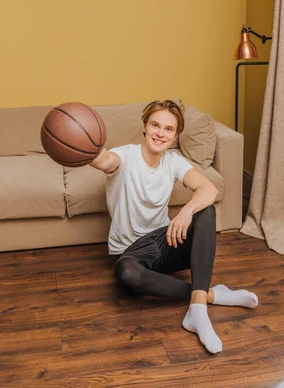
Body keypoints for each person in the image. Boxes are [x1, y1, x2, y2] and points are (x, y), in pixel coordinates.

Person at [89, 99, 259, 354]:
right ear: (145, 127)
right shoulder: (125, 156)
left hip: (164, 241)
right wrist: (82, 144)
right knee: (126, 273)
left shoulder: (174, 161)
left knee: (205, 212)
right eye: (155, 125)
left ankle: (197, 311)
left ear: (175, 135)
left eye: (168, 129)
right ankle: (210, 295)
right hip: (131, 251)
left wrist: (187, 212)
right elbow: (104, 161)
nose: (160, 133)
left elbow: (209, 189)